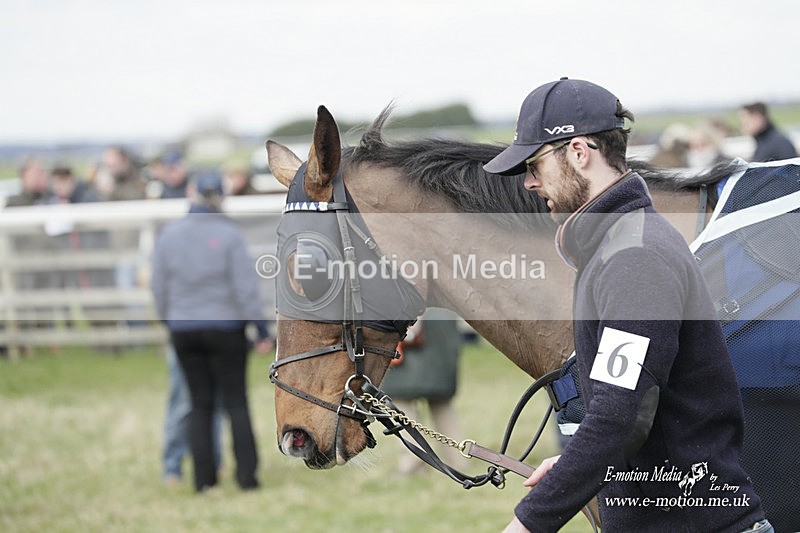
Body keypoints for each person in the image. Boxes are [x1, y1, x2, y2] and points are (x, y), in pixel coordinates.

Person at [484, 78, 769, 532]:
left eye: (535, 164)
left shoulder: (634, 257)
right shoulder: (617, 244)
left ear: (579, 152)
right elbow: (633, 416)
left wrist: (526, 525)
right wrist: (575, 463)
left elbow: (618, 419)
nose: (529, 182)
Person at [151, 170, 272, 492]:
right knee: (236, 403)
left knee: (199, 404)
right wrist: (262, 331)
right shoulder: (229, 234)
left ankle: (204, 481)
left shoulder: (169, 235)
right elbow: (246, 291)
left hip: (184, 328)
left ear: (191, 193)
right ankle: (247, 478)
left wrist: (171, 321)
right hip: (226, 328)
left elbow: (158, 288)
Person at [380, 308, 466, 475]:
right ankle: (457, 462)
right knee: (443, 410)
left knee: (404, 412)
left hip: (409, 363)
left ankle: (413, 465)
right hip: (441, 360)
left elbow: (409, 332)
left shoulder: (409, 288)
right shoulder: (446, 295)